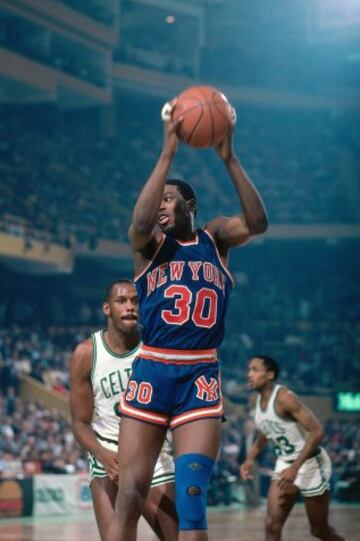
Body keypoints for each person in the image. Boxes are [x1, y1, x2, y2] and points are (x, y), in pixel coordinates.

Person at [106, 101, 268, 541]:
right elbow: (137, 223)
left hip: (199, 371)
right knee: (132, 492)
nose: (159, 207)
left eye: (169, 200)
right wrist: (166, 153)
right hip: (154, 367)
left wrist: (229, 156)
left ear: (189, 205)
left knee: (192, 495)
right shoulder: (148, 246)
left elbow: (258, 222)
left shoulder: (215, 238)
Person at [70, 279, 178, 541]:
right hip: (108, 456)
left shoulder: (156, 345)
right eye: (122, 301)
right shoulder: (87, 354)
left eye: (135, 300)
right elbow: (80, 424)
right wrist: (102, 454)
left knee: (180, 537)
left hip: (153, 455)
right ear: (107, 308)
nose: (130, 307)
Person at [240, 355, 345, 541]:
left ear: (270, 374)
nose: (249, 374)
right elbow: (265, 432)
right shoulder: (253, 401)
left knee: (319, 531)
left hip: (311, 463)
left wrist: (295, 468)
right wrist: (250, 459)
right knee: (272, 525)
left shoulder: (285, 398)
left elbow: (318, 432)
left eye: (255, 370)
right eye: (249, 369)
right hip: (285, 464)